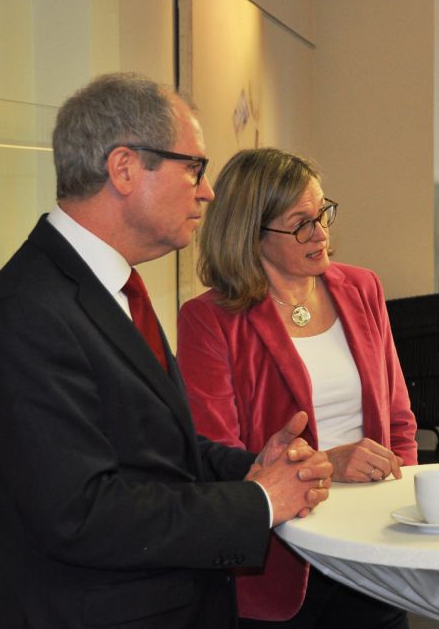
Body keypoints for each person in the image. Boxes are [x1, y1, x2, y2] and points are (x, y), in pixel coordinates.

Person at [0, 73, 334, 629]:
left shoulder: (113, 289)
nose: (207, 191)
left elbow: (159, 454)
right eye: (195, 168)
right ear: (125, 168)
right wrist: (258, 502)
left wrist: (253, 466)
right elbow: (81, 514)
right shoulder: (26, 310)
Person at [176, 147, 418, 629]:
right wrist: (331, 463)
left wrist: (405, 518)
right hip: (280, 564)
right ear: (252, 233)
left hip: (372, 554)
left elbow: (398, 421)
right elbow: (214, 455)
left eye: (322, 212)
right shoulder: (209, 321)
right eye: (300, 223)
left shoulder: (362, 288)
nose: (321, 234)